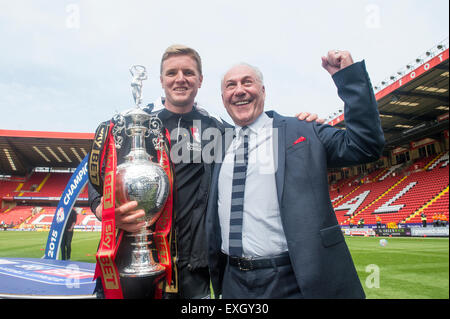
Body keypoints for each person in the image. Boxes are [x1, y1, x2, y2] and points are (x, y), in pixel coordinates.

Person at [88, 44, 322, 299]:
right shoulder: (135, 125)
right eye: (172, 73)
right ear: (161, 80)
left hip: (194, 271)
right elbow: (98, 171)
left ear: (200, 80)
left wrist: (304, 126)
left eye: (188, 72)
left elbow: (262, 140)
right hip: (133, 262)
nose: (180, 79)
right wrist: (101, 207)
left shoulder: (219, 131)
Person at [206, 50, 385, 299]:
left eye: (247, 82)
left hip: (291, 281)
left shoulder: (302, 130)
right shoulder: (220, 146)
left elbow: (364, 145)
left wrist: (348, 78)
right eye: (230, 85)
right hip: (233, 282)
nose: (239, 90)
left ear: (263, 90)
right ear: (223, 98)